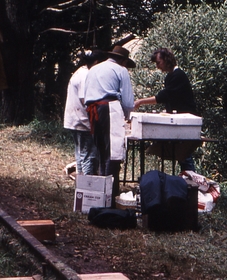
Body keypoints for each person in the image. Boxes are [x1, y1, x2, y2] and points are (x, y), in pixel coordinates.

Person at [84, 45, 136, 200]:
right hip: (109, 108)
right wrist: (127, 117)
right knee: (113, 153)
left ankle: (102, 192)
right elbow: (127, 101)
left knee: (101, 150)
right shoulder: (121, 70)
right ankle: (110, 194)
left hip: (93, 109)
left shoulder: (94, 69)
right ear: (123, 60)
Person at [134, 48, 199, 172]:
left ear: (166, 60)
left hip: (185, 121)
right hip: (177, 121)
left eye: (159, 62)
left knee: (184, 155)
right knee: (180, 155)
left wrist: (141, 101)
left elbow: (164, 96)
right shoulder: (170, 77)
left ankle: (192, 183)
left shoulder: (178, 75)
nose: (158, 66)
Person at [63, 50, 103, 176]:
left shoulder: (80, 71)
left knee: (81, 153)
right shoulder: (86, 74)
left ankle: (81, 183)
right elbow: (84, 99)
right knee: (88, 154)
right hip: (81, 120)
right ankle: (87, 183)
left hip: (75, 119)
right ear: (96, 62)